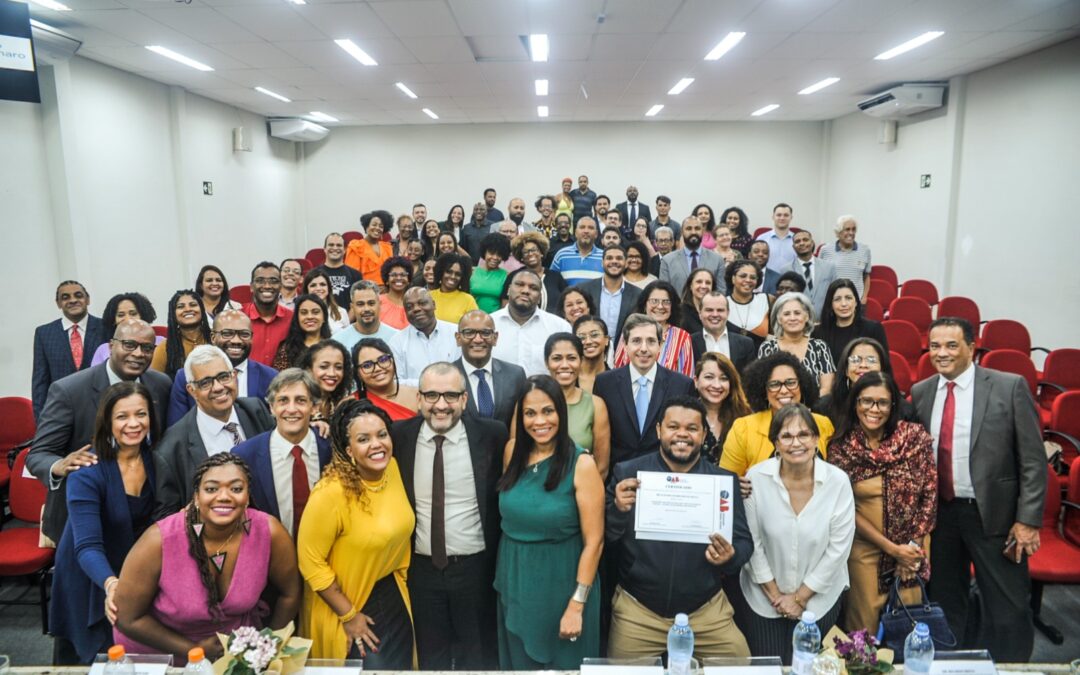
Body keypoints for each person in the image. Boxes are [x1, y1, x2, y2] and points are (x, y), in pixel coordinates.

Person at [911, 317, 1046, 662]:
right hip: (942, 516)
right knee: (945, 603)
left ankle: (1013, 669)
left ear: (972, 348)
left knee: (1009, 609)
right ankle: (948, 666)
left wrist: (1028, 520)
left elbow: (1032, 461)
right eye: (935, 346)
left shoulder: (1008, 386)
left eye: (951, 345)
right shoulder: (922, 392)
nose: (941, 353)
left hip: (995, 516)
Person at [113, 454, 301, 662]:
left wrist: (267, 647)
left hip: (234, 656)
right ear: (196, 496)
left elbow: (290, 593)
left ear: (247, 496)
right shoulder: (159, 540)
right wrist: (193, 650)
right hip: (161, 654)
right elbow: (127, 618)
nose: (224, 496)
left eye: (236, 489)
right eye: (211, 489)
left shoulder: (268, 532)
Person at [606, 396, 752, 659]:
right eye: (673, 427)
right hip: (639, 611)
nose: (682, 434)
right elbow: (606, 537)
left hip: (706, 611)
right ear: (659, 429)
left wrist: (730, 557)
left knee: (740, 663)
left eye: (692, 428)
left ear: (704, 434)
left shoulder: (723, 482)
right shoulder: (628, 474)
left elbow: (743, 542)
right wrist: (617, 509)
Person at [391, 363, 509, 670]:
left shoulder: (493, 435)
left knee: (479, 656)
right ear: (418, 398)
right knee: (432, 658)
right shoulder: (398, 436)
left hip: (475, 570)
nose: (441, 405)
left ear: (465, 399)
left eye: (450, 395)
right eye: (431, 395)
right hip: (420, 570)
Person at [28, 320, 172, 543]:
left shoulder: (161, 384)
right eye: (129, 345)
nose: (138, 353)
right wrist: (60, 465)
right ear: (111, 345)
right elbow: (38, 455)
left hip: (143, 514)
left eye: (146, 348)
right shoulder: (69, 390)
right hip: (86, 521)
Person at [495, 375, 605, 668]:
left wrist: (576, 604)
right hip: (515, 584)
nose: (539, 421)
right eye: (530, 413)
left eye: (548, 411)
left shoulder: (582, 464)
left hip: (563, 587)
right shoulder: (512, 453)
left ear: (561, 413)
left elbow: (594, 542)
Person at [297, 399, 416, 666]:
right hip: (347, 603)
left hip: (391, 593)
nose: (377, 445)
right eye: (364, 439)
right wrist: (349, 616)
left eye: (382, 435)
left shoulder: (393, 470)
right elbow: (310, 562)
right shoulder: (331, 493)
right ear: (348, 448)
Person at [49, 382, 160, 664]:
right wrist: (111, 584)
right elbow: (86, 545)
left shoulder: (158, 460)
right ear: (107, 422)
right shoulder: (86, 472)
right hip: (90, 572)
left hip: (129, 570)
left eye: (141, 414)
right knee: (91, 658)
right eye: (122, 417)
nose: (134, 424)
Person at [740, 403, 855, 663]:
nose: (796, 443)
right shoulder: (755, 479)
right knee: (768, 666)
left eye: (804, 434)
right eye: (787, 436)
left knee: (812, 668)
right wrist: (775, 596)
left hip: (820, 599)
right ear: (776, 443)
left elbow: (838, 550)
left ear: (816, 438)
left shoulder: (837, 482)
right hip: (763, 599)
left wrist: (800, 598)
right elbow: (752, 543)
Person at [827, 371, 937, 634]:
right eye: (866, 401)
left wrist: (909, 551)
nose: (874, 409)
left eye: (882, 402)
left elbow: (929, 494)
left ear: (893, 406)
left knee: (907, 628)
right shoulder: (842, 448)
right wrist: (892, 549)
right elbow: (844, 509)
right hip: (864, 552)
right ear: (855, 404)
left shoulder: (914, 438)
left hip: (913, 549)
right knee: (863, 633)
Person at [153, 345, 275, 517]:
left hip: (267, 527)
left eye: (223, 377)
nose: (218, 387)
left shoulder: (256, 410)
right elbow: (166, 515)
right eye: (205, 382)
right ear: (191, 390)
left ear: (234, 376)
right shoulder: (172, 448)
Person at [232, 369, 333, 537]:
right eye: (283, 401)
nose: (291, 409)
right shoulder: (245, 455)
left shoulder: (330, 448)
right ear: (271, 407)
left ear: (314, 407)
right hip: (271, 556)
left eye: (300, 400)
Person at [594, 314, 696, 468]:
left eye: (651, 341)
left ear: (660, 345)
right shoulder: (605, 383)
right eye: (636, 341)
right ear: (625, 345)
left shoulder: (681, 384)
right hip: (617, 476)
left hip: (663, 475)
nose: (643, 349)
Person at [721, 352, 834, 477]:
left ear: (802, 385)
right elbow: (727, 481)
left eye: (791, 382)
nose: (784, 391)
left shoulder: (823, 424)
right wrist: (739, 484)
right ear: (764, 390)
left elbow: (834, 475)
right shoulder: (743, 428)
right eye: (774, 384)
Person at [168, 310, 278, 426]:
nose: (236, 340)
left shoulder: (271, 377)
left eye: (244, 334)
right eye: (227, 334)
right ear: (213, 337)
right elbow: (177, 428)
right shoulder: (186, 376)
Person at [33, 281, 106, 417]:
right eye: (65, 297)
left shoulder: (106, 327)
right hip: (61, 410)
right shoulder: (44, 333)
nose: (73, 300)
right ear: (58, 303)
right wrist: (41, 420)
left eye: (78, 295)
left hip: (101, 409)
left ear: (87, 299)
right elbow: (40, 381)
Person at [544, 334, 611, 478]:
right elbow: (516, 452)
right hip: (536, 492)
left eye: (571, 358)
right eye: (557, 358)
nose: (564, 365)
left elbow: (602, 467)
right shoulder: (530, 401)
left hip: (580, 493)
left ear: (581, 361)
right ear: (546, 363)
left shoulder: (595, 404)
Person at [814, 338, 917, 426]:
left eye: (871, 360)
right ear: (846, 369)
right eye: (855, 360)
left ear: (882, 368)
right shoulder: (824, 408)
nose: (863, 365)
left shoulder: (902, 409)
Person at [453, 311, 527, 431]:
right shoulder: (445, 377)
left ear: (495, 338)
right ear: (458, 338)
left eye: (485, 333)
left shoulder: (515, 375)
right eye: (469, 333)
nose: (478, 339)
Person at [491, 269, 572, 376]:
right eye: (520, 284)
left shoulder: (559, 327)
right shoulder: (489, 324)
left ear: (539, 298)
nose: (525, 291)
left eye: (533, 288)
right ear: (508, 290)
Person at [758, 292, 836, 395]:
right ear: (779, 319)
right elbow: (762, 386)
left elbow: (826, 388)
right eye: (786, 314)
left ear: (807, 316)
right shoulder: (768, 348)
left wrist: (805, 409)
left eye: (797, 313)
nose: (792, 318)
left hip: (814, 408)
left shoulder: (819, 347)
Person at [613, 281, 694, 377]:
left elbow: (686, 379)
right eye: (654, 301)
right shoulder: (630, 331)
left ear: (672, 307)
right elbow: (617, 370)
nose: (660, 306)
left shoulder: (682, 337)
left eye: (666, 302)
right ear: (644, 305)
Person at [388, 287, 461, 386]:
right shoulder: (397, 342)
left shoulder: (456, 333)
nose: (416, 309)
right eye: (409, 307)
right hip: (414, 399)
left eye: (422, 303)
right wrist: (429, 385)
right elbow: (397, 382)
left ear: (434, 305)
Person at [812, 279, 889, 367]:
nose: (844, 304)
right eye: (837, 299)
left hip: (865, 379)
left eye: (848, 298)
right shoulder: (818, 333)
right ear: (830, 304)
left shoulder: (873, 329)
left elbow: (883, 365)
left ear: (856, 302)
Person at [696, 353, 752, 465]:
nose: (717, 385)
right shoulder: (685, 416)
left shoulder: (745, 417)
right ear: (696, 381)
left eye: (723, 378)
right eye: (709, 377)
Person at [578, 245, 642, 342]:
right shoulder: (584, 290)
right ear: (602, 263)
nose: (614, 261)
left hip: (623, 353)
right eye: (609, 258)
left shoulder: (638, 294)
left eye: (619, 258)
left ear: (626, 264)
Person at [660, 216, 726, 300]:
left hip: (707, 311)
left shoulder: (717, 260)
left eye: (697, 228)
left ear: (702, 231)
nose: (693, 232)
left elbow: (721, 292)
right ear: (682, 232)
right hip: (678, 311)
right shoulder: (667, 260)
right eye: (689, 228)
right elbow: (664, 292)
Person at [352, 337, 418, 421]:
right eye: (367, 365)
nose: (377, 368)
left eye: (383, 360)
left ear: (393, 361)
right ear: (358, 373)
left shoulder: (417, 395)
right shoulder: (351, 404)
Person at [691, 291, 757, 373]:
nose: (715, 314)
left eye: (720, 310)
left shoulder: (746, 344)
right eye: (709, 310)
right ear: (700, 313)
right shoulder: (689, 342)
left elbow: (750, 379)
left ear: (728, 313)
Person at [150, 290, 211, 377]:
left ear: (202, 309)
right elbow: (154, 383)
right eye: (180, 307)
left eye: (193, 305)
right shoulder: (165, 348)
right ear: (173, 314)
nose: (188, 309)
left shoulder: (215, 338)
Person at [243, 261, 293, 366]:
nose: (267, 286)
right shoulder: (238, 317)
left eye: (273, 281)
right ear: (251, 287)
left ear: (280, 286)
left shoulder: (292, 318)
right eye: (260, 281)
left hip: (282, 381)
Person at [89, 292, 159, 366]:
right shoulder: (103, 349)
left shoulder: (161, 343)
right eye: (121, 315)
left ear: (143, 315)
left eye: (133, 313)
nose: (127, 319)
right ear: (113, 320)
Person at [333, 280, 399, 352]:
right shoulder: (338, 341)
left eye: (371, 303)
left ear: (380, 304)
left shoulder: (396, 338)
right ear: (352, 307)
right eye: (360, 304)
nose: (366, 309)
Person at [819, 215, 872, 300]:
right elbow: (820, 277)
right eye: (847, 229)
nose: (851, 233)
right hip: (832, 301)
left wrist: (864, 298)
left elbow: (866, 276)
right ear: (838, 232)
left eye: (853, 229)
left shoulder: (865, 250)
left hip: (856, 302)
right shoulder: (825, 250)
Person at [272, 294, 330, 370]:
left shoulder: (333, 347)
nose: (309, 317)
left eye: (315, 312)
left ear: (324, 318)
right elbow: (280, 380)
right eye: (304, 312)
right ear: (297, 318)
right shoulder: (287, 349)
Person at [298, 340, 351, 422]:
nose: (332, 373)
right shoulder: (297, 402)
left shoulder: (342, 404)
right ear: (308, 369)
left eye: (338, 367)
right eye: (324, 366)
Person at [513, 231, 566, 312]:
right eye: (526, 252)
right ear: (521, 258)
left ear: (541, 253)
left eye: (534, 250)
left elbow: (566, 300)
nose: (530, 254)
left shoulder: (555, 277)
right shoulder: (514, 276)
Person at [725, 259, 773, 349]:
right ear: (733, 278)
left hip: (762, 359)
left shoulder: (767, 300)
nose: (748, 280)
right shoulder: (722, 303)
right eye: (743, 276)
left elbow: (775, 336)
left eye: (753, 277)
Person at [789, 231, 836, 318]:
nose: (802, 243)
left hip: (825, 320)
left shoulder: (829, 267)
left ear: (812, 243)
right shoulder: (786, 269)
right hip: (798, 320)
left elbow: (835, 294)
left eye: (805, 240)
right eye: (797, 241)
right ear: (793, 247)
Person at [549, 216, 603, 286]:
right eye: (582, 227)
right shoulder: (562, 255)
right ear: (576, 232)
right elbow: (551, 283)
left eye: (590, 228)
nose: (586, 231)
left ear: (596, 234)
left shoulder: (604, 257)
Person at [315, 233, 363, 310]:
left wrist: (345, 322)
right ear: (324, 249)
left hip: (348, 321)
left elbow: (359, 304)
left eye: (339, 245)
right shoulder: (314, 274)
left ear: (344, 250)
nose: (335, 248)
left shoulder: (356, 275)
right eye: (331, 245)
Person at [345, 210, 394, 284]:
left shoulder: (387, 248)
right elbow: (351, 276)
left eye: (381, 226)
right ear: (367, 227)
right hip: (365, 291)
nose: (377, 228)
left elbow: (391, 273)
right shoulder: (356, 246)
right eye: (374, 225)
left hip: (386, 291)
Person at [430, 253, 479, 323]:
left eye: (458, 274)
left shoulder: (468, 300)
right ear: (441, 272)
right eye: (449, 272)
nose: (453, 276)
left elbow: (476, 325)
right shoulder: (429, 297)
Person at [304, 268, 351, 335]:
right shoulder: (300, 313)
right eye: (313, 285)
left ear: (329, 288)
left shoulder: (341, 312)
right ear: (306, 290)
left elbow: (347, 339)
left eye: (322, 284)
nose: (318, 288)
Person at [472, 234, 510, 313]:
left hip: (494, 320)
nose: (495, 257)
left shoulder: (506, 276)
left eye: (499, 254)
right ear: (484, 252)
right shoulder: (472, 272)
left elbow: (505, 306)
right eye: (491, 253)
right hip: (472, 319)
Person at [755, 203, 797, 275]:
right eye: (779, 215)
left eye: (786, 215)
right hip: (766, 280)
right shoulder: (762, 238)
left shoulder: (797, 240)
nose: (782, 218)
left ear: (791, 217)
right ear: (773, 217)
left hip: (791, 281)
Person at [573, 315, 610, 393]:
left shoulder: (617, 380)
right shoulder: (567, 378)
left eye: (594, 335)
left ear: (606, 340)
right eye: (582, 338)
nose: (588, 341)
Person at [679, 267, 719, 336]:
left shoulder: (718, 311)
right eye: (699, 282)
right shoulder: (680, 311)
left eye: (708, 283)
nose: (703, 286)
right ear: (690, 286)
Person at [378, 257, 412, 330]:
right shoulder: (377, 302)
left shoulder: (413, 303)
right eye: (393, 275)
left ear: (408, 279)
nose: (399, 278)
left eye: (403, 275)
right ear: (387, 280)